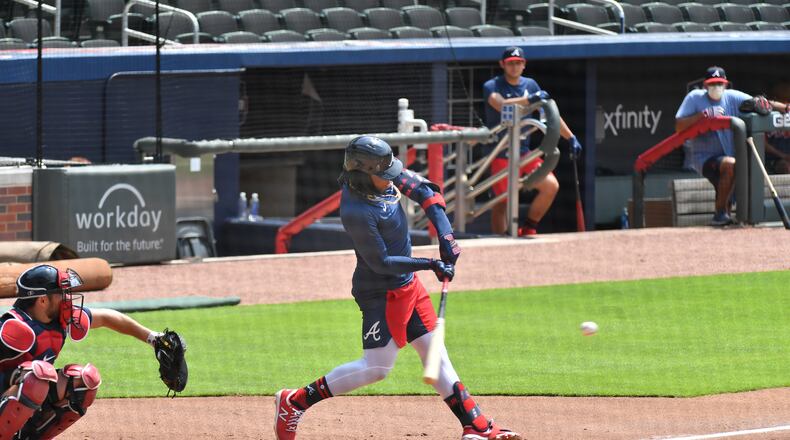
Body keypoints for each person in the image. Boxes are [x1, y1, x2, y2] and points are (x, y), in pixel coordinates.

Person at [274, 136, 521, 440]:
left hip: (408, 285)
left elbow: (425, 191)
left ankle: (477, 426)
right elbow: (383, 262)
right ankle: (294, 401)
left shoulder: (385, 174)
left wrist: (446, 235)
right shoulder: (356, 210)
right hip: (380, 292)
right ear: (363, 173)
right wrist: (431, 264)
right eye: (384, 173)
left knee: (435, 354)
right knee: (377, 368)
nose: (393, 177)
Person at [0, 264, 178, 438]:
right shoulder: (14, 328)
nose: (68, 299)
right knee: (38, 376)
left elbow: (108, 318)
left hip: (19, 395)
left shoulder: (59, 320)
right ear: (43, 300)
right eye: (61, 293)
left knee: (84, 380)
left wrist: (153, 338)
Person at [483, 46, 583, 236]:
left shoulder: (531, 85)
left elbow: (550, 115)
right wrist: (529, 100)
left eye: (518, 63)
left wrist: (570, 137)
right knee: (502, 202)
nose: (514, 67)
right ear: (502, 65)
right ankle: (500, 240)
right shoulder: (492, 85)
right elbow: (500, 104)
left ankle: (529, 226)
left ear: (524, 65)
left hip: (524, 152)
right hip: (499, 152)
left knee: (550, 186)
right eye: (510, 63)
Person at [675, 66, 788, 226]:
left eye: (719, 83)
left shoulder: (732, 97)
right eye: (712, 84)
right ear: (705, 85)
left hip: (726, 156)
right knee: (731, 164)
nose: (716, 87)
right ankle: (720, 213)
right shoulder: (695, 98)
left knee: (734, 168)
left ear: (725, 84)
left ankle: (725, 217)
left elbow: (759, 102)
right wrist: (703, 115)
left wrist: (785, 108)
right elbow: (679, 126)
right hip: (701, 157)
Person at [765, 81, 790, 174]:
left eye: (788, 100)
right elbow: (763, 144)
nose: (785, 103)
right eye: (782, 99)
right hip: (773, 158)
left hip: (787, 155)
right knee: (785, 167)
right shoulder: (765, 112)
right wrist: (783, 156)